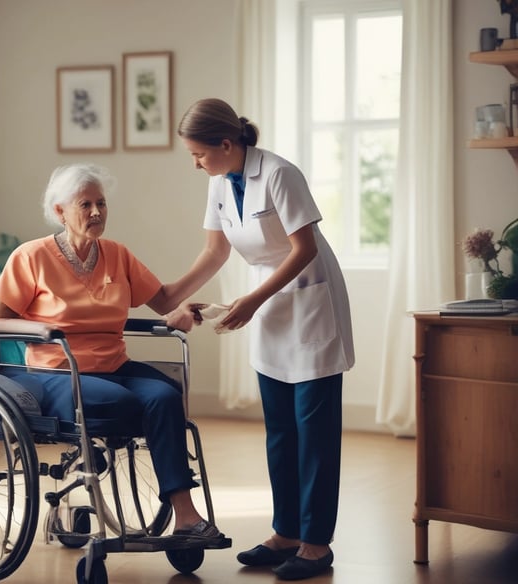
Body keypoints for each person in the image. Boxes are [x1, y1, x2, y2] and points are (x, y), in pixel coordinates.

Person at [0, 162, 222, 540]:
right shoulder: (31, 257)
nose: (97, 212)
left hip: (115, 363)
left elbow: (163, 300)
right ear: (60, 211)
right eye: (85, 205)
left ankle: (187, 516)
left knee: (165, 396)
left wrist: (210, 263)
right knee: (120, 403)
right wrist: (40, 328)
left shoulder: (116, 254)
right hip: (58, 370)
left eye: (102, 204)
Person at [168, 98, 355, 580]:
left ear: (227, 144)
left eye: (199, 155)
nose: (195, 164)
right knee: (279, 431)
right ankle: (285, 533)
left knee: (313, 434)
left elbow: (305, 248)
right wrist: (168, 295)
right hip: (267, 305)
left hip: (309, 299)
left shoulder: (279, 174)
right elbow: (214, 251)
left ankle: (316, 545)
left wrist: (250, 300)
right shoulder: (218, 181)